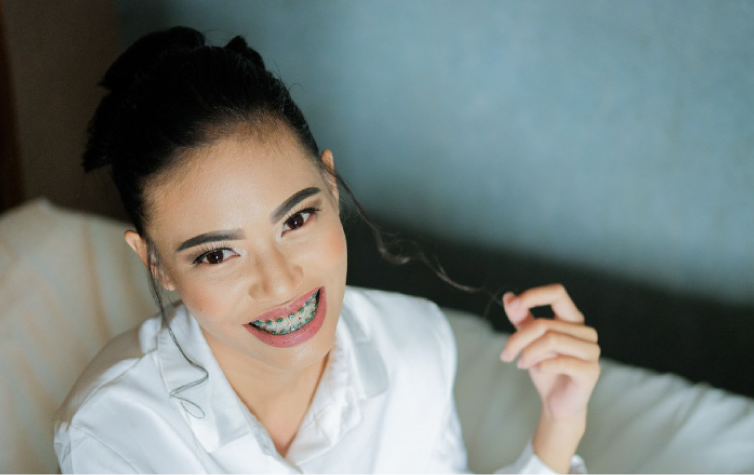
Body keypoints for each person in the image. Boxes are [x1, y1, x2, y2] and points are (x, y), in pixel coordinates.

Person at [54, 26, 601, 473]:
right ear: (157, 264)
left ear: (331, 187)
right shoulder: (115, 430)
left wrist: (559, 424)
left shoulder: (416, 345)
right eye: (217, 254)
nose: (281, 283)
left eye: (296, 218)